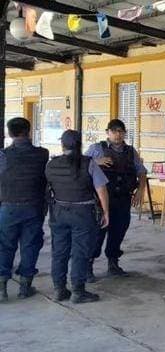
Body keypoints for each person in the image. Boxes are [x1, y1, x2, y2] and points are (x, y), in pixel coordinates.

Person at [46, 130, 110, 303]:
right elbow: (101, 189)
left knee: (59, 252)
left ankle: (59, 289)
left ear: (62, 145)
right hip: (83, 214)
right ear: (79, 145)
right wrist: (106, 212)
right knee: (80, 252)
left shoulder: (51, 165)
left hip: (59, 212)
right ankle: (78, 291)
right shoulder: (89, 163)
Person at [85, 119, 147, 280]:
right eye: (114, 131)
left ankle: (113, 263)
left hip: (123, 199)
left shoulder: (130, 151)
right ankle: (87, 266)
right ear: (108, 132)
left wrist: (141, 189)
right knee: (97, 233)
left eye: (121, 131)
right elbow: (80, 165)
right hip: (101, 200)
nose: (118, 134)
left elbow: (141, 171)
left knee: (118, 231)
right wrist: (95, 161)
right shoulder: (97, 149)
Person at [0, 118, 49, 302]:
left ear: (10, 133)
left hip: (8, 207)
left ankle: (2, 288)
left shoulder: (3, 155)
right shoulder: (42, 154)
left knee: (4, 246)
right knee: (30, 246)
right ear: (29, 131)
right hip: (33, 207)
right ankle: (24, 287)